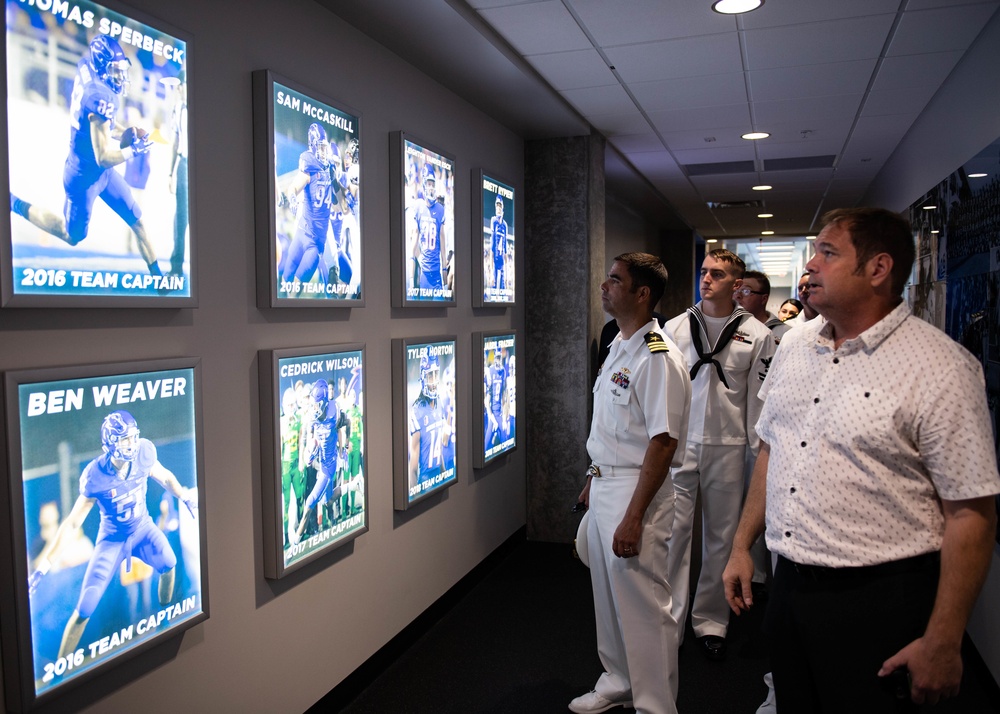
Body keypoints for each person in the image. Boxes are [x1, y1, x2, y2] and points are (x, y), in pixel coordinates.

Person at [723, 207, 1000, 712]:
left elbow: (971, 514)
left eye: (828, 253)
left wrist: (944, 639)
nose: (811, 264)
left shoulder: (941, 367)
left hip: (881, 598)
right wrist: (743, 545)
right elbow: (772, 447)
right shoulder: (796, 346)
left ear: (878, 269)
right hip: (790, 584)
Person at [570, 252, 691, 714]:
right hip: (605, 483)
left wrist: (635, 515)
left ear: (642, 294)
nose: (604, 285)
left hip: (636, 493)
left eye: (615, 280)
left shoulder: (657, 356)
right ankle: (618, 679)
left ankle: (656, 706)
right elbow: (613, 429)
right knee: (607, 597)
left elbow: (662, 443)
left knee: (643, 607)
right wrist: (591, 479)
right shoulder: (618, 346)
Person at [664, 249, 776, 661]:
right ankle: (670, 622)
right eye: (704, 271)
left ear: (737, 285)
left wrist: (756, 451)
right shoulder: (675, 328)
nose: (706, 278)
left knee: (721, 539)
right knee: (673, 535)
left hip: (728, 446)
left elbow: (757, 400)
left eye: (717, 273)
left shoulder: (757, 333)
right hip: (679, 445)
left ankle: (711, 619)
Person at [28, 410, 196, 659]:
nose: (132, 444)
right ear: (110, 443)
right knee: (84, 607)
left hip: (143, 528)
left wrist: (183, 496)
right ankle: (59, 670)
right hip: (112, 540)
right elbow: (73, 523)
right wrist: (42, 566)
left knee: (169, 565)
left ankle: (165, 621)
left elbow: (165, 477)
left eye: (133, 437)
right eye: (125, 439)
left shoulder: (144, 453)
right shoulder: (95, 476)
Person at [9, 35, 164, 280]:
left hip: (102, 174)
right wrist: (132, 151)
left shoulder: (88, 68)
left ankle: (160, 280)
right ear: (102, 67)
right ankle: (15, 204)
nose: (120, 76)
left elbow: (104, 127)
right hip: (82, 176)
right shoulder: (99, 97)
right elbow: (103, 156)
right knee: (71, 236)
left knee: (138, 221)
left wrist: (129, 133)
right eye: (115, 70)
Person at [279, 123, 338, 291]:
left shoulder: (330, 168)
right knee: (285, 283)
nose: (323, 151)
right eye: (320, 146)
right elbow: (294, 187)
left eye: (324, 147)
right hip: (302, 232)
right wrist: (291, 197)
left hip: (317, 240)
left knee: (296, 288)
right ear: (312, 146)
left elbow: (337, 203)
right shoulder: (309, 163)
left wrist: (335, 182)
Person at [408, 354, 452, 490]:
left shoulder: (439, 403)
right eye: (429, 375)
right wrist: (415, 496)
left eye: (435, 374)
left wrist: (444, 474)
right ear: (423, 377)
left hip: (438, 477)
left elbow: (438, 443)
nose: (433, 381)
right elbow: (413, 467)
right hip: (425, 482)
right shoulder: (417, 411)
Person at [409, 165, 447, 294]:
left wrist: (446, 281)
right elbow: (413, 246)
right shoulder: (418, 206)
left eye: (432, 184)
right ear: (424, 185)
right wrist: (411, 279)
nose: (431, 187)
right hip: (424, 272)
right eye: (428, 184)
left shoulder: (440, 209)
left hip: (436, 273)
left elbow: (443, 246)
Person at [736, 270, 792, 344]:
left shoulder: (786, 333)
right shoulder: (729, 327)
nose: (738, 296)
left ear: (764, 299)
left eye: (746, 291)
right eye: (736, 290)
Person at [490, 194, 508, 293]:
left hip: (501, 262)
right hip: (495, 260)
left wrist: (507, 274)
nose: (498, 208)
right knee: (493, 290)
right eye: (497, 206)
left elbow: (505, 249)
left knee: (503, 290)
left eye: (500, 206)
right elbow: (492, 247)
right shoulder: (493, 221)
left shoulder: (504, 224)